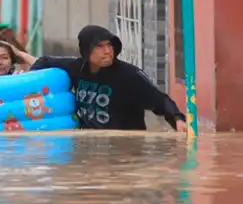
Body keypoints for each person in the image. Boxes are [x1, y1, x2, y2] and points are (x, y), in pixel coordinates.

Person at [30, 25, 188, 132]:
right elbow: (44, 61)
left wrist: (177, 119)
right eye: (99, 46)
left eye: (110, 45)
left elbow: (160, 100)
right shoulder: (76, 68)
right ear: (86, 50)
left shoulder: (129, 76)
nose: (107, 51)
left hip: (122, 146)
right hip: (88, 143)